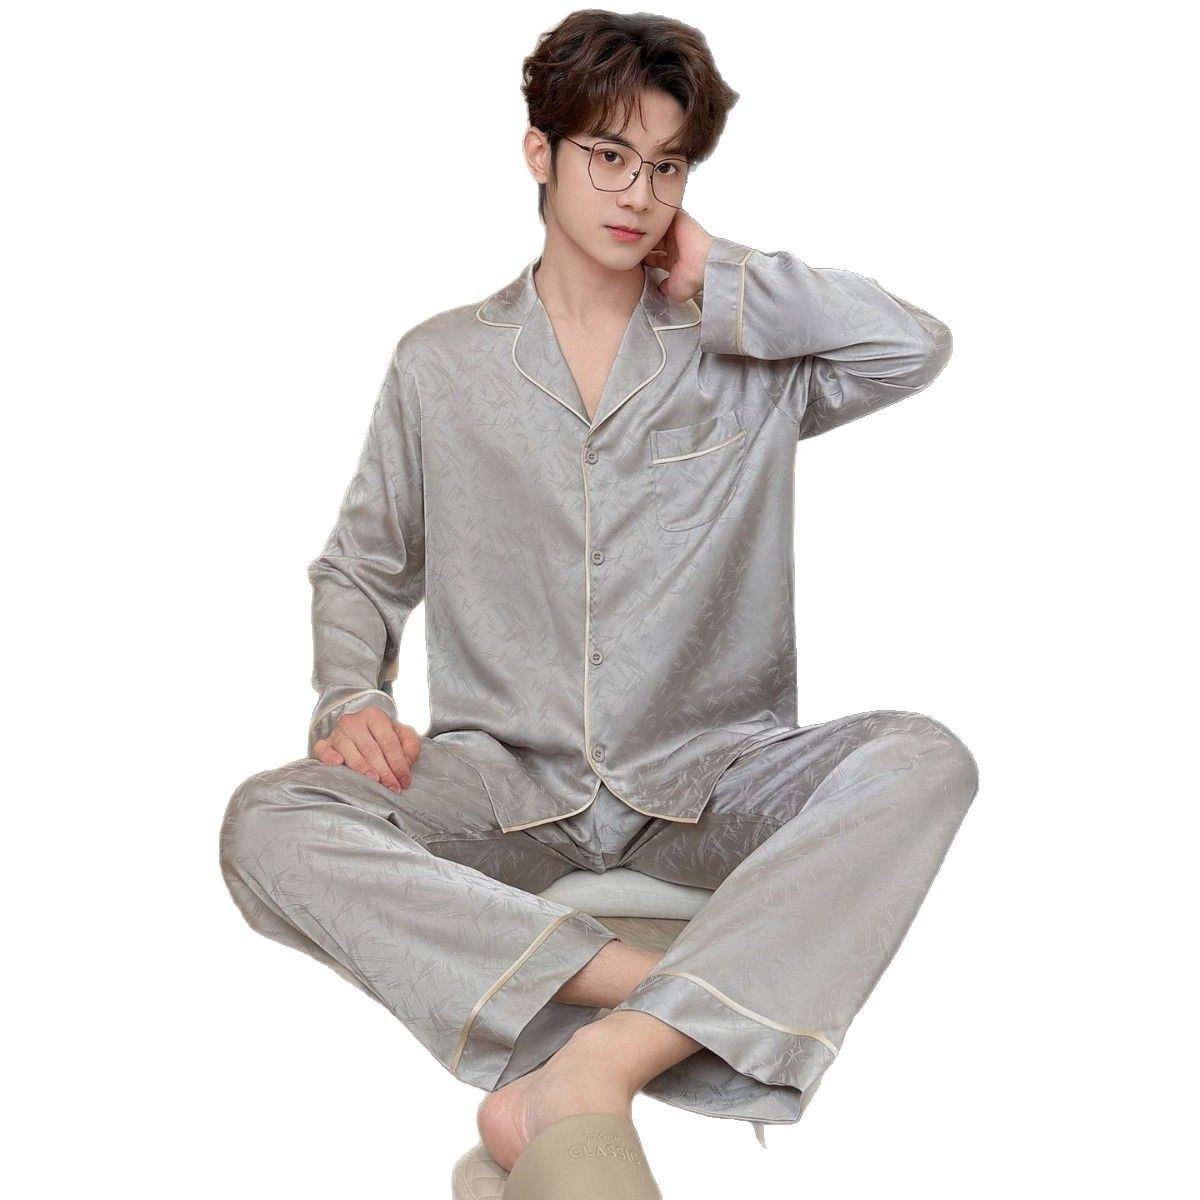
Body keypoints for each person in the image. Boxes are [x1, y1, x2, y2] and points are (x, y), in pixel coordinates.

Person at [218, 7, 979, 1183]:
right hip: (502, 778)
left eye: (666, 167)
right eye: (610, 157)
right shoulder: (441, 364)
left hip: (712, 771)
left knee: (924, 759)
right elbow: (361, 565)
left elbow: (911, 347)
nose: (639, 194)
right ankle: (670, 995)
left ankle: (592, 1065)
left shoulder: (745, 353)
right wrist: (347, 696)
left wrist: (724, 273)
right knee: (267, 822)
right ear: (542, 153)